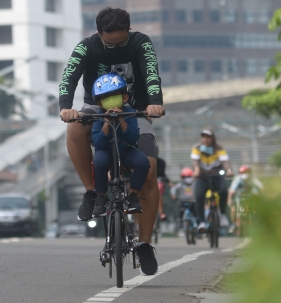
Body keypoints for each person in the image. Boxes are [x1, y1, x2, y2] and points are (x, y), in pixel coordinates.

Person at [59, 7, 164, 275]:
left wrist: (155, 103)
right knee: (74, 130)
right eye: (109, 44)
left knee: (150, 170)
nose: (115, 49)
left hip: (134, 111)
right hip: (97, 110)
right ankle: (92, 192)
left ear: (129, 31)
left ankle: (144, 244)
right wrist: (65, 107)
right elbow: (69, 77)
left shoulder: (141, 43)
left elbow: (151, 72)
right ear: (98, 34)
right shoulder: (87, 47)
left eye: (121, 43)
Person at [91, 73, 150, 217]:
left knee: (143, 162)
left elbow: (133, 138)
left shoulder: (130, 113)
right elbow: (98, 142)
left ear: (124, 97)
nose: (110, 100)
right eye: (105, 97)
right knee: (98, 162)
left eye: (114, 95)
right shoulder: (98, 116)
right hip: (105, 151)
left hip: (126, 149)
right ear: (99, 103)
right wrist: (106, 122)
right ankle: (101, 197)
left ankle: (132, 196)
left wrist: (121, 119)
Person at [191, 129, 234, 232]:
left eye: (208, 137)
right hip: (202, 177)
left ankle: (223, 214)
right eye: (203, 137)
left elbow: (225, 161)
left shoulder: (219, 148)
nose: (205, 139)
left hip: (216, 176)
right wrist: (196, 170)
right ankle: (201, 222)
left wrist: (228, 170)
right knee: (199, 196)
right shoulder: (197, 148)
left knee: (224, 191)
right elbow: (195, 161)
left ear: (213, 138)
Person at [227, 165, 263, 234]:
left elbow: (260, 186)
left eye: (246, 172)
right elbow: (232, 190)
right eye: (243, 172)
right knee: (233, 209)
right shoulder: (238, 179)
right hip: (239, 198)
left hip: (250, 198)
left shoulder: (252, 179)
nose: (245, 174)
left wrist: (261, 190)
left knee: (256, 208)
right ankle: (235, 224)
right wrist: (230, 197)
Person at [170, 167, 196, 237]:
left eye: (189, 176)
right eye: (185, 177)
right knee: (181, 213)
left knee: (196, 214)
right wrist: (174, 195)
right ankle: (180, 227)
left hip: (193, 202)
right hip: (183, 202)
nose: (187, 178)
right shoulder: (180, 185)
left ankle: (198, 226)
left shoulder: (195, 184)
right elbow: (173, 189)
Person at [156, 146, 170, 221]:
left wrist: (169, 182)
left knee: (158, 191)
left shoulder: (161, 162)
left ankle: (161, 212)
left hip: (159, 181)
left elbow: (162, 174)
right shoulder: (144, 161)